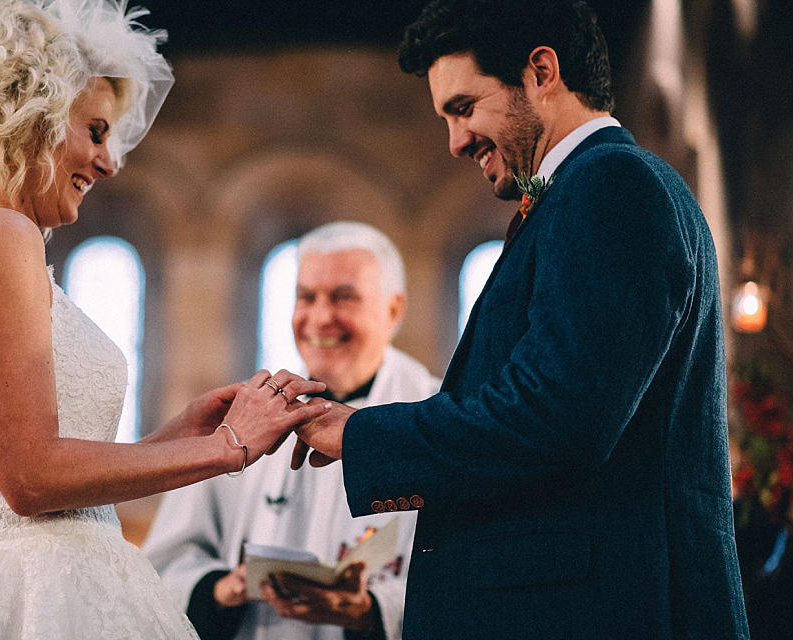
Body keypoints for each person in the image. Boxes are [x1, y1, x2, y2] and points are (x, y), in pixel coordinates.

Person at [291, 1, 751, 638]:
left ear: (541, 71)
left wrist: (362, 435)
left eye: (463, 108)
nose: (455, 142)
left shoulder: (612, 185)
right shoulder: (581, 195)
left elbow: (557, 416)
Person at [0, 0, 329, 637]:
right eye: (95, 131)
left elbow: (35, 482)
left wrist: (177, 438)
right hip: (41, 597)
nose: (110, 162)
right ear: (31, 114)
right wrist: (225, 449)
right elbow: (29, 480)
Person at [142, 221, 441, 640]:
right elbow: (166, 565)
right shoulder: (249, 417)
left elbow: (468, 581)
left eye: (343, 297)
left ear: (393, 310)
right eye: (306, 297)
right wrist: (223, 590)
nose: (320, 318)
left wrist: (370, 612)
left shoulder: (434, 419)